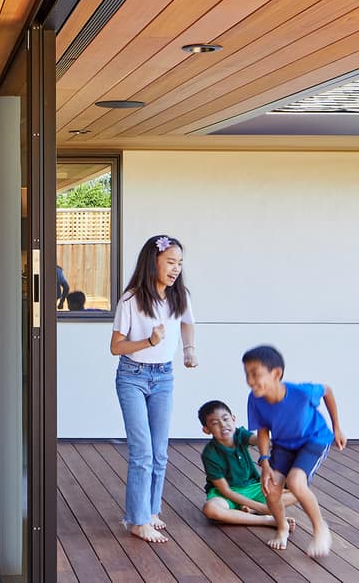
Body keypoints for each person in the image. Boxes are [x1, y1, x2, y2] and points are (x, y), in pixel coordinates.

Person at [109, 234, 197, 543]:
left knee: (160, 452)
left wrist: (188, 350)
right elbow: (116, 347)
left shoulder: (179, 295)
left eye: (179, 264)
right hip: (132, 376)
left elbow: (187, 323)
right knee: (142, 452)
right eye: (170, 262)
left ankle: (151, 510)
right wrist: (149, 341)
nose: (175, 269)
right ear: (153, 262)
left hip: (164, 377)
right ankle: (136, 520)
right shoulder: (131, 299)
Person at [242, 345, 346, 557]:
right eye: (247, 374)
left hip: (314, 440)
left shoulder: (301, 392)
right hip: (284, 445)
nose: (251, 380)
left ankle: (320, 529)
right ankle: (282, 528)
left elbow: (327, 390)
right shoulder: (255, 399)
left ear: (276, 373)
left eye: (255, 374)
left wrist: (337, 427)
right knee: (271, 490)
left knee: (297, 482)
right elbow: (263, 430)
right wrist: (264, 462)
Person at [198, 400, 297, 529]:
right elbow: (226, 491)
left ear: (233, 419)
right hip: (227, 494)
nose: (223, 425)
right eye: (215, 423)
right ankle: (267, 520)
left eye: (225, 419)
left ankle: (250, 511)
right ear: (206, 430)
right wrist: (263, 509)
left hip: (252, 488)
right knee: (210, 509)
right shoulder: (209, 454)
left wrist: (282, 443)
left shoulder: (240, 434)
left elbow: (258, 440)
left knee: (298, 490)